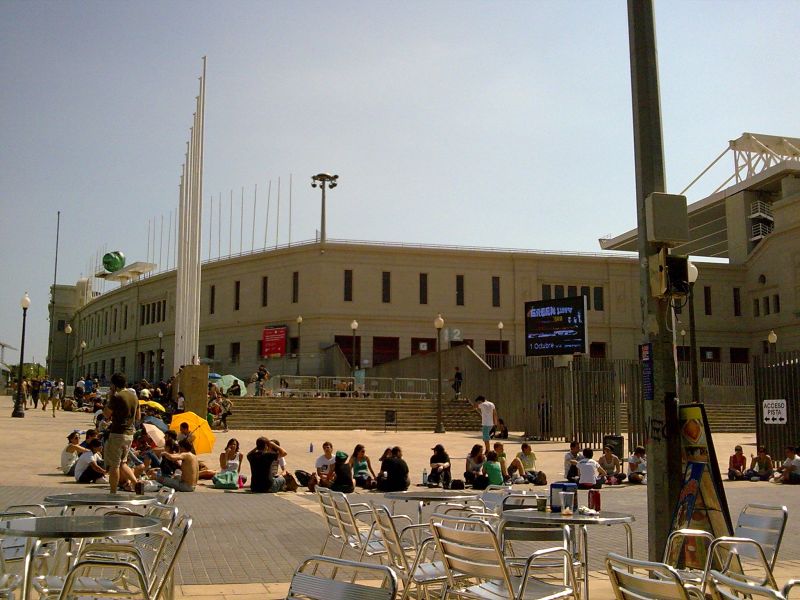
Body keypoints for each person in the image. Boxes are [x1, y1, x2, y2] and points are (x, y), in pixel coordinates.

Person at [104, 372, 140, 494]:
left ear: (114, 385)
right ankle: (136, 483)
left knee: (114, 465)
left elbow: (106, 414)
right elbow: (138, 417)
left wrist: (110, 397)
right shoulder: (134, 397)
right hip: (129, 434)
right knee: (123, 463)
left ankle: (113, 493)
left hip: (117, 433)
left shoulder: (117, 396)